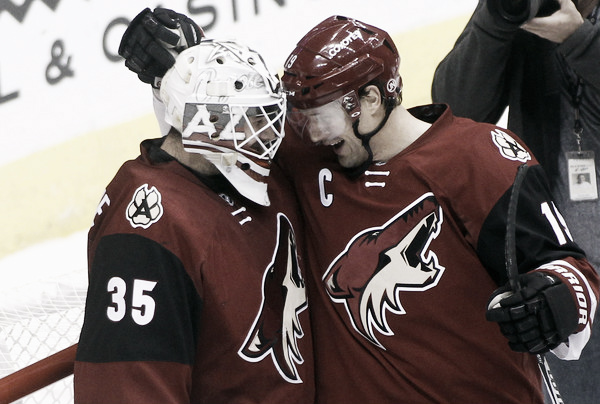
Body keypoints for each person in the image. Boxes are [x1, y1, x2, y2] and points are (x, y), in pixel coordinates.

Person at [119, 10, 599, 404]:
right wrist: (177, 63)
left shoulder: (478, 159)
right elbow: (232, 110)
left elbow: (570, 268)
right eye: (299, 116)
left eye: (319, 114)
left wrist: (555, 298)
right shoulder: (309, 155)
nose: (307, 131)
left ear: (370, 99)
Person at [73, 9, 314, 404]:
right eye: (248, 119)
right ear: (204, 124)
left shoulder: (262, 174)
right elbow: (126, 388)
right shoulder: (148, 226)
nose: (267, 134)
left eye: (266, 116)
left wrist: (176, 70)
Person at [431, 0, 600, 401]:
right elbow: (456, 109)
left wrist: (579, 41)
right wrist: (498, 19)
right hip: (569, 276)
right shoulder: (528, 9)